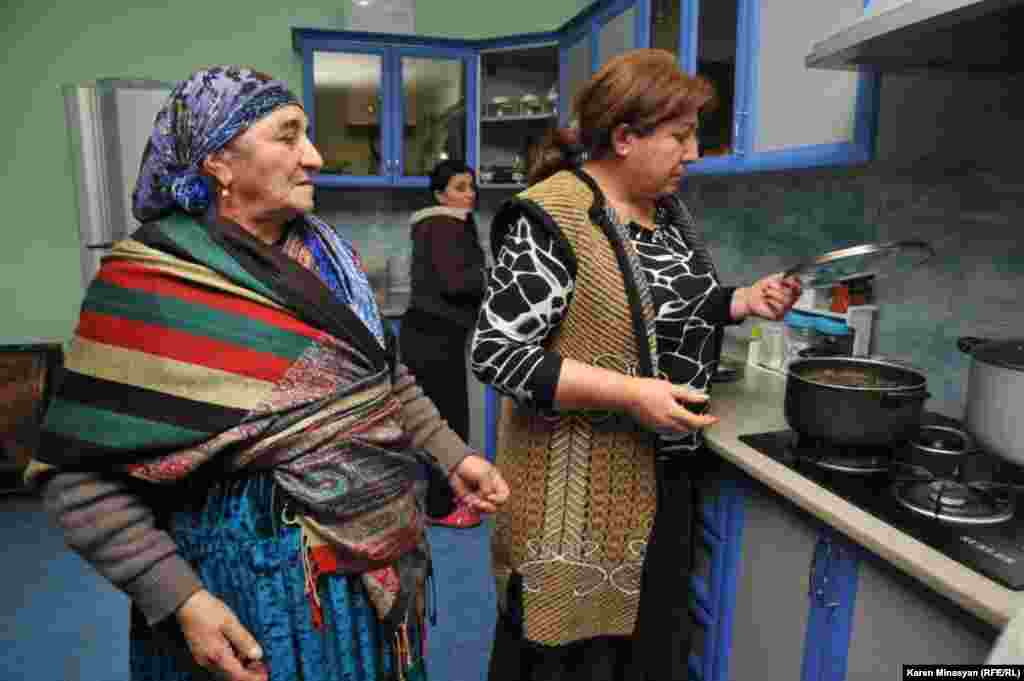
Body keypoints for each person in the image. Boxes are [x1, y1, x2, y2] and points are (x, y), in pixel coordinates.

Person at [24, 65, 508, 681]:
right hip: (245, 600)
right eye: (288, 135)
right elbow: (75, 478)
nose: (314, 154)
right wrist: (180, 599)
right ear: (218, 161)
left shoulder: (330, 259)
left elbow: (384, 378)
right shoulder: (149, 286)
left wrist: (454, 456)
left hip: (364, 594)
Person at [470, 48, 801, 681]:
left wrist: (741, 300)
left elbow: (668, 306)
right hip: (574, 496)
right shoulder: (552, 216)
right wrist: (628, 393)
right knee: (566, 658)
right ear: (624, 137)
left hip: (665, 479)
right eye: (680, 136)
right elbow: (499, 354)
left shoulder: (668, 212)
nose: (694, 153)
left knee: (644, 655)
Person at [401, 160, 488, 529]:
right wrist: (492, 276)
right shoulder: (443, 224)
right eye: (459, 187)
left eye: (471, 186)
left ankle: (440, 501)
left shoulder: (441, 224)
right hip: (433, 338)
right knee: (445, 423)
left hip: (434, 336)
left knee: (442, 420)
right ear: (440, 194)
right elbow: (457, 282)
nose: (468, 194)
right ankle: (440, 510)